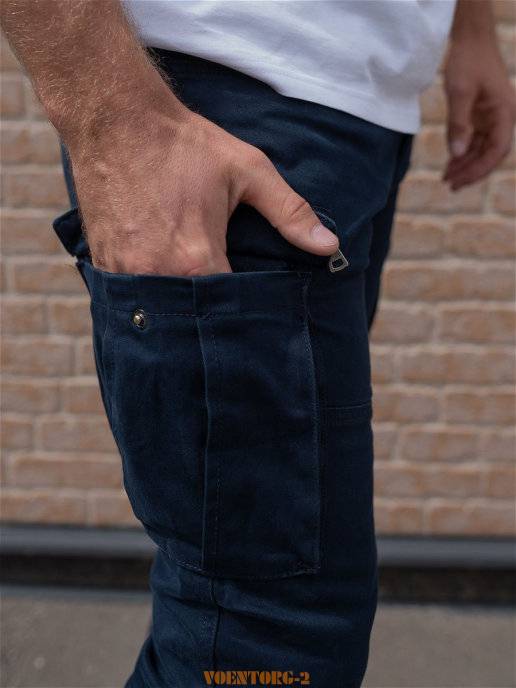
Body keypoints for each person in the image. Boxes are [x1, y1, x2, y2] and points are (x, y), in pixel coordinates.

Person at [1, 1, 514, 685]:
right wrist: (115, 120)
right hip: (222, 98)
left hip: (364, 110)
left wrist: (469, 26)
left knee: (234, 605)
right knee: (266, 641)